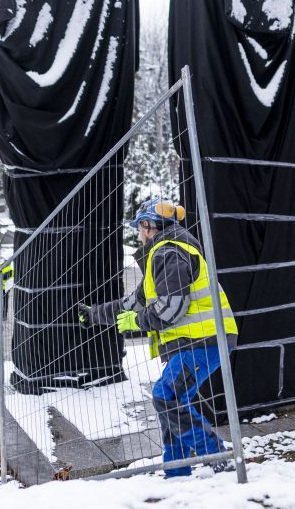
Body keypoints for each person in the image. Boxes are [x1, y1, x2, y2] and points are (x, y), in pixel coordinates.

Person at [80, 198, 239, 477]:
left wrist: (138, 323)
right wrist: (95, 314)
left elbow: (170, 309)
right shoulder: (161, 255)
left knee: (166, 395)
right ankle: (176, 471)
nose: (140, 235)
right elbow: (134, 303)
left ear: (149, 225)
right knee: (172, 401)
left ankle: (217, 455)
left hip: (204, 339)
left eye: (141, 228)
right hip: (195, 339)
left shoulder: (170, 253)